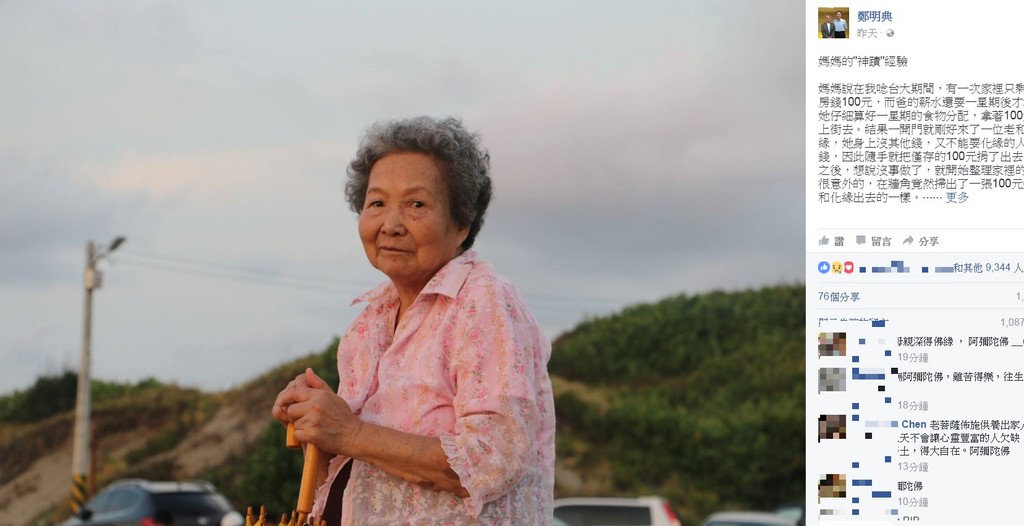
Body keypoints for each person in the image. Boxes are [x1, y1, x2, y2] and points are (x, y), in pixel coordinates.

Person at [273, 116, 555, 525]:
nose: (390, 225)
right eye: (377, 203)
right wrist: (318, 429)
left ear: (461, 224)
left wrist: (350, 432)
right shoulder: (368, 323)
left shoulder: (484, 301)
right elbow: (360, 468)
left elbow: (491, 459)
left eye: (416, 205)